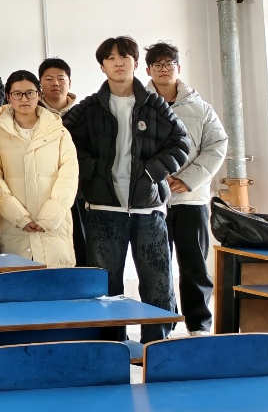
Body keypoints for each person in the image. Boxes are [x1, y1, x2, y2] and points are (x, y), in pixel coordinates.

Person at [63, 36, 190, 344]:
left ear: (135, 63)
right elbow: (63, 140)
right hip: (103, 209)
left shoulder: (154, 104)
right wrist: (93, 171)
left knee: (158, 281)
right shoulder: (89, 107)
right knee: (105, 285)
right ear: (102, 66)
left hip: (149, 209)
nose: (118, 63)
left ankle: (156, 346)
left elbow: (181, 142)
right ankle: (111, 345)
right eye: (110, 58)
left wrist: (151, 172)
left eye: (124, 57)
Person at [145, 42, 227, 335]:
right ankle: (161, 325)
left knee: (194, 265)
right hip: (152, 201)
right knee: (156, 267)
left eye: (169, 63)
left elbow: (217, 146)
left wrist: (188, 179)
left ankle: (199, 325)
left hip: (191, 199)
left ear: (178, 68)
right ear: (148, 70)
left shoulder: (200, 107)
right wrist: (156, 178)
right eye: (157, 64)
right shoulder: (138, 105)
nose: (163, 69)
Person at [0, 70, 80, 267]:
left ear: (39, 94)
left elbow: (69, 177)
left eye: (30, 93)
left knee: (55, 279)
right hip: (12, 224)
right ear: (8, 96)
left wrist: (50, 217)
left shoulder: (59, 132)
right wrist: (18, 217)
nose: (24, 99)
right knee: (16, 279)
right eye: (17, 94)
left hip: (54, 224)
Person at [37, 56, 87, 264]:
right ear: (40, 83)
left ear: (70, 82)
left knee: (82, 248)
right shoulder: (32, 113)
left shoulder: (85, 113)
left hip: (80, 192)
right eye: (48, 79)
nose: (55, 83)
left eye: (61, 78)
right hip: (43, 193)